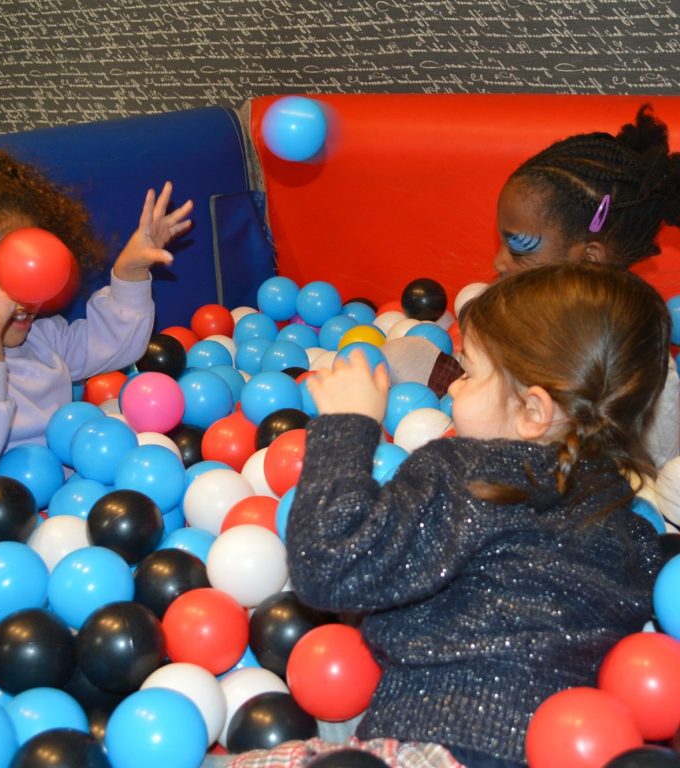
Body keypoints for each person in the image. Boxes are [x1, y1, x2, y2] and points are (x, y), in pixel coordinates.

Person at [282, 262, 665, 768]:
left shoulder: (465, 474)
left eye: (468, 372)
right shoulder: (630, 525)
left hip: (430, 744)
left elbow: (327, 565)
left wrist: (347, 425)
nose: (453, 388)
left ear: (533, 411)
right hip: (568, 748)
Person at [384, 103, 680, 468]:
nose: (498, 262)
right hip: (495, 416)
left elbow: (657, 471)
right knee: (399, 355)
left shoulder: (636, 362)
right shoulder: (516, 308)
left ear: (589, 257)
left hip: (556, 474)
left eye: (519, 248)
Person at [0, 149, 192, 488]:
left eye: (30, 271)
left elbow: (117, 346)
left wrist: (130, 271)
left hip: (67, 510)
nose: (22, 291)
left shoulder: (41, 339)